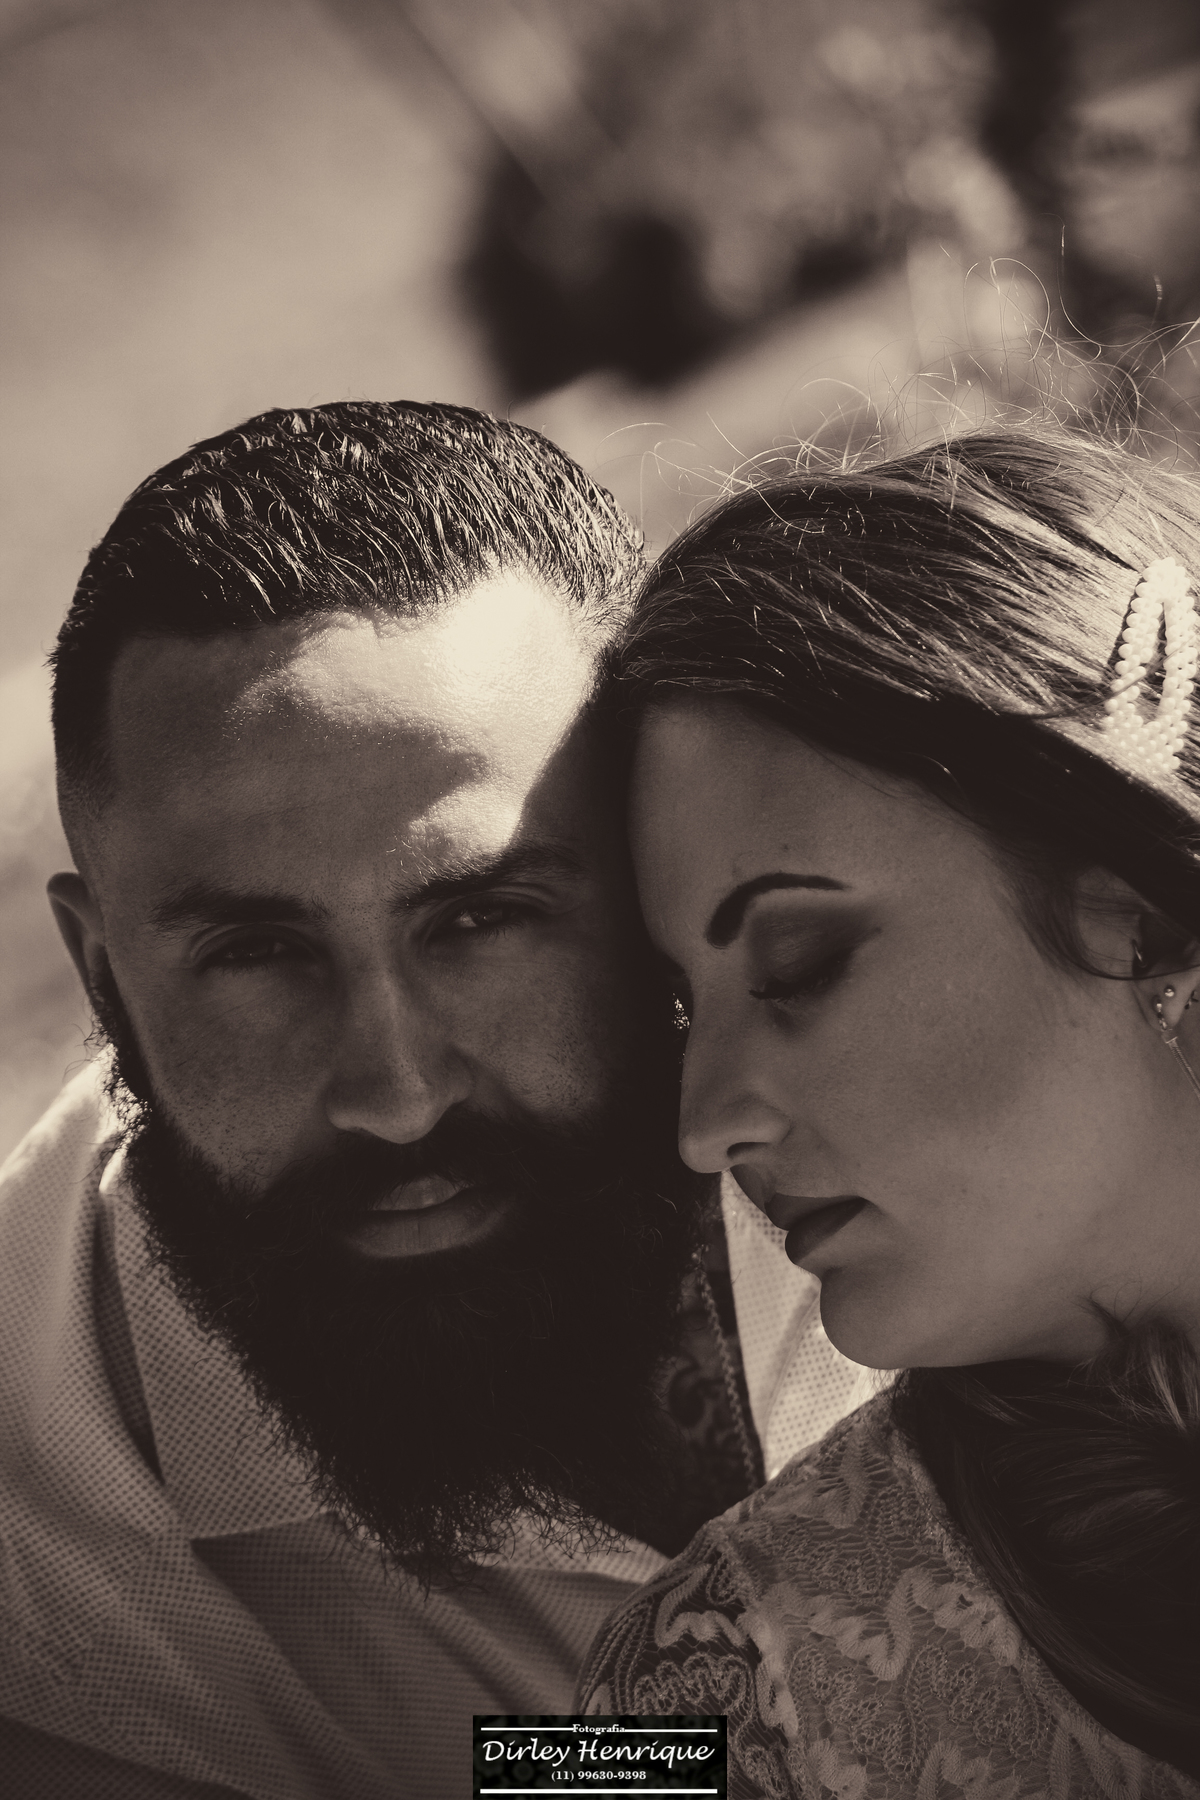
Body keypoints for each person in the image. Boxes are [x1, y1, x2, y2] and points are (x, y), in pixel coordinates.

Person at [0, 400, 875, 1799]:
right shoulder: (44, 1584)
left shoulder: (972, 1061)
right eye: (256, 954)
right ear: (101, 974)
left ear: (659, 860)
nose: (398, 1098)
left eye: (481, 919)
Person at [578, 429, 1200, 1795]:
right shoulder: (675, 1689)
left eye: (798, 965)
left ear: (1145, 913)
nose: (703, 1130)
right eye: (680, 1010)